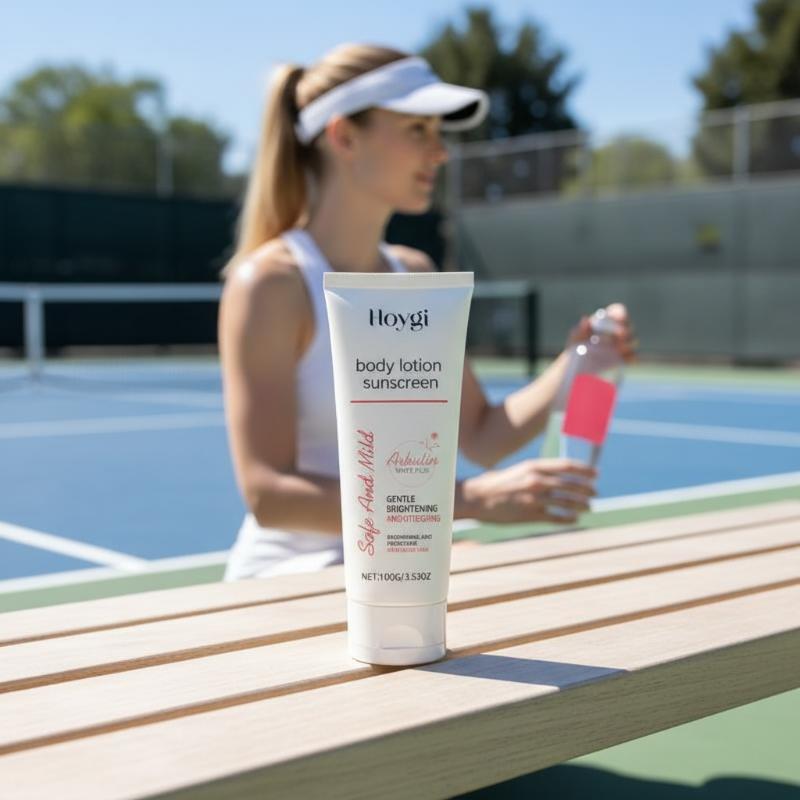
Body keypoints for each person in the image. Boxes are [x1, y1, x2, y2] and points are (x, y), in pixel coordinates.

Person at [219, 43, 637, 581]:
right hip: (291, 578)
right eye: (417, 130)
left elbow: (482, 435)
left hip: (399, 567)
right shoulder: (270, 284)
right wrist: (470, 500)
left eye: (438, 133)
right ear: (344, 136)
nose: (440, 153)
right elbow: (269, 495)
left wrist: (579, 361)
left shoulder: (414, 272)